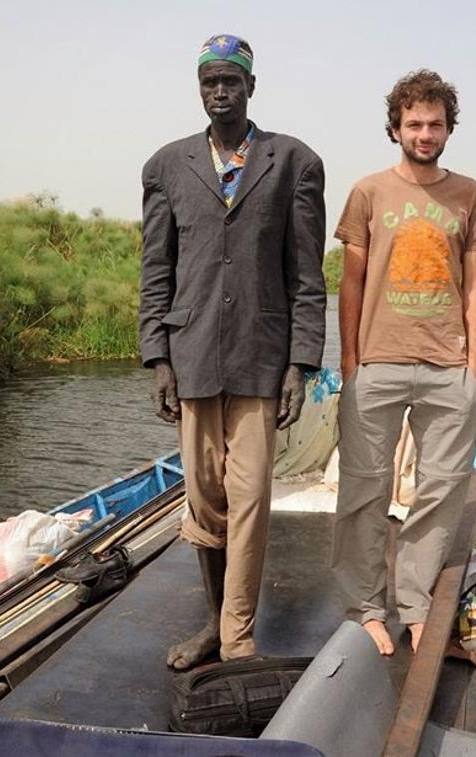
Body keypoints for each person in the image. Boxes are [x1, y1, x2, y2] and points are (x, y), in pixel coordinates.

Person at [139, 34, 326, 669]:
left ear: (251, 86)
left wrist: (301, 363)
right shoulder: (166, 166)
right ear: (199, 88)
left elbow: (307, 275)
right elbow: (156, 271)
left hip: (260, 357)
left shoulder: (294, 161)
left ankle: (239, 636)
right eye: (210, 81)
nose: (221, 91)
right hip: (190, 355)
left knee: (249, 503)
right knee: (205, 502)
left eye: (232, 82)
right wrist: (156, 355)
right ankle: (215, 626)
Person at [331, 69, 476, 655]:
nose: (425, 133)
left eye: (435, 124)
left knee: (443, 490)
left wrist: (473, 366)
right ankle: (366, 606)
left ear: (449, 128)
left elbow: (475, 287)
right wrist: (350, 361)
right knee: (363, 493)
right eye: (414, 123)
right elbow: (350, 282)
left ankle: (417, 603)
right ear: (395, 127)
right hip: (377, 364)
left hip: (448, 367)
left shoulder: (470, 195)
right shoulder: (369, 193)